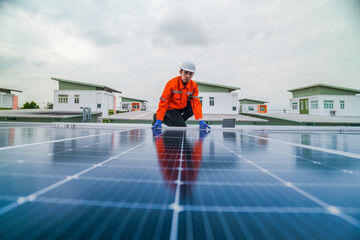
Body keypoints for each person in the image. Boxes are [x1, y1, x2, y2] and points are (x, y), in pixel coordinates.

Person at [152, 60, 211, 130]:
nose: (188, 76)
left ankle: (179, 121)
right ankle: (157, 117)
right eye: (185, 72)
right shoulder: (171, 84)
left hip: (181, 107)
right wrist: (159, 119)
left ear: (193, 74)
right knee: (182, 128)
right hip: (171, 109)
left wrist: (201, 121)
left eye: (190, 73)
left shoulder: (194, 86)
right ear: (180, 72)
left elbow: (196, 103)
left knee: (194, 106)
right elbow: (163, 101)